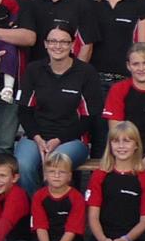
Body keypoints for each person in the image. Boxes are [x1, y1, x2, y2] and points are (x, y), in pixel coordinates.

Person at [15, 23, 103, 192]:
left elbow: (88, 118)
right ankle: (35, 204)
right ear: (45, 44)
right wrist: (38, 139)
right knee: (23, 165)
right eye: (53, 41)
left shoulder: (86, 72)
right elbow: (24, 111)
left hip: (72, 139)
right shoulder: (34, 70)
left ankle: (58, 206)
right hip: (36, 137)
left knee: (55, 164)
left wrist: (58, 140)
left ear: (72, 44)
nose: (58, 46)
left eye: (64, 42)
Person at [85, 121, 145, 241]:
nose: (121, 146)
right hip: (104, 233)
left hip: (130, 235)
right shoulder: (99, 175)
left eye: (127, 141)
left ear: (136, 145)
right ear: (110, 145)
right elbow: (93, 216)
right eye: (116, 141)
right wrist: (103, 240)